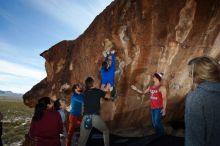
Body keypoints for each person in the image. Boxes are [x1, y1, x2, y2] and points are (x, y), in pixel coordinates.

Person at [185, 56, 220, 146]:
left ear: (197, 75)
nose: (189, 76)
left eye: (190, 73)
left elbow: (194, 139)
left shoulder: (196, 97)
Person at [131, 72, 167, 137]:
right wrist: (136, 89)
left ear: (157, 78)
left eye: (154, 77)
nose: (153, 78)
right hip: (152, 108)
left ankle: (162, 134)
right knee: (154, 123)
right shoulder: (151, 87)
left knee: (156, 122)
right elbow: (143, 93)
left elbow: (164, 99)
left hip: (158, 108)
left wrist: (164, 109)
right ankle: (159, 133)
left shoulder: (162, 87)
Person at [78, 77, 111, 146]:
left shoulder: (84, 93)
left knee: (82, 141)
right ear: (93, 83)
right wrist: (108, 89)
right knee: (105, 131)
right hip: (95, 118)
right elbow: (108, 96)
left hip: (86, 118)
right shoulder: (97, 91)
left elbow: (83, 105)